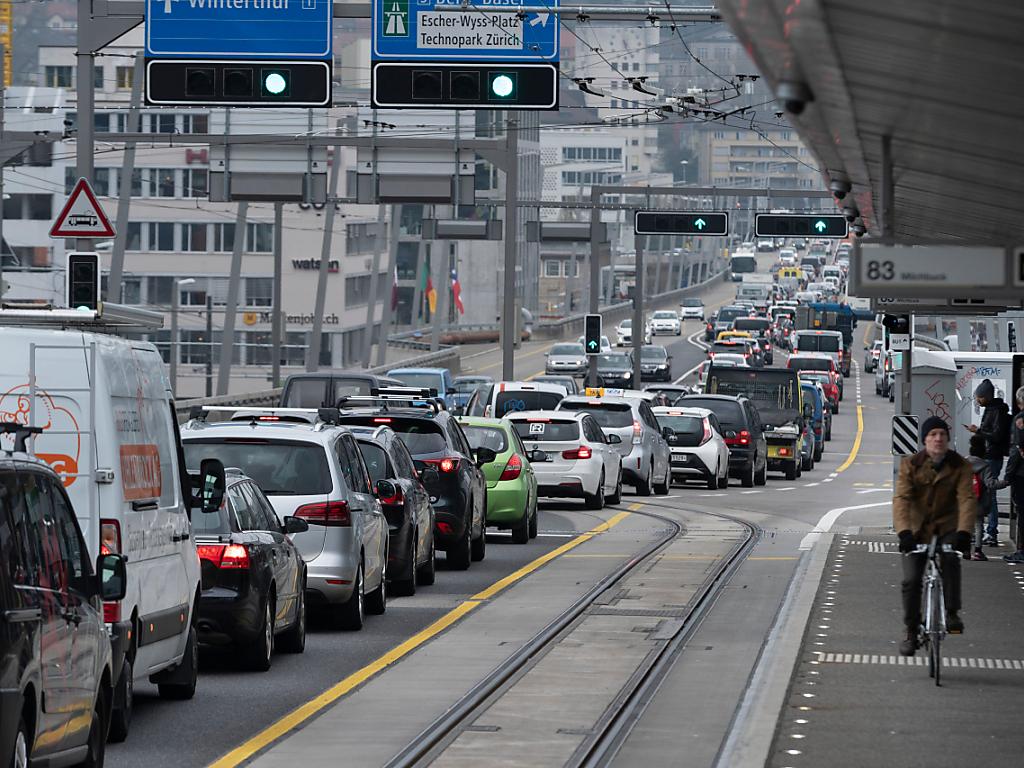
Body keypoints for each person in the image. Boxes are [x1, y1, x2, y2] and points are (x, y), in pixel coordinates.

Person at [893, 416, 974, 656]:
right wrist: (904, 532)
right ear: (925, 440)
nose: (938, 439)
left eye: (942, 434)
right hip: (917, 530)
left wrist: (964, 533)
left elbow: (966, 499)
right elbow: (902, 500)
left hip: (948, 528)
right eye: (933, 434)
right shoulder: (911, 465)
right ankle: (910, 630)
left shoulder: (960, 465)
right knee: (911, 580)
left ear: (948, 439)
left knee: (950, 560)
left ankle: (951, 613)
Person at [965, 379, 1010, 545]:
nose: (977, 400)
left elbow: (996, 436)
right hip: (990, 455)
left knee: (989, 494)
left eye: (979, 397)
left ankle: (991, 531)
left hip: (992, 455)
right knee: (987, 493)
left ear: (987, 396)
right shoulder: (993, 409)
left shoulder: (996, 411)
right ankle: (986, 531)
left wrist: (979, 431)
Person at [966, 434, 1001, 561]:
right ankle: (977, 551)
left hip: (965, 499)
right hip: (979, 500)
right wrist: (1006, 482)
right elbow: (991, 484)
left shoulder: (963, 462)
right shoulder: (985, 466)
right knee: (978, 524)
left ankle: (965, 550)